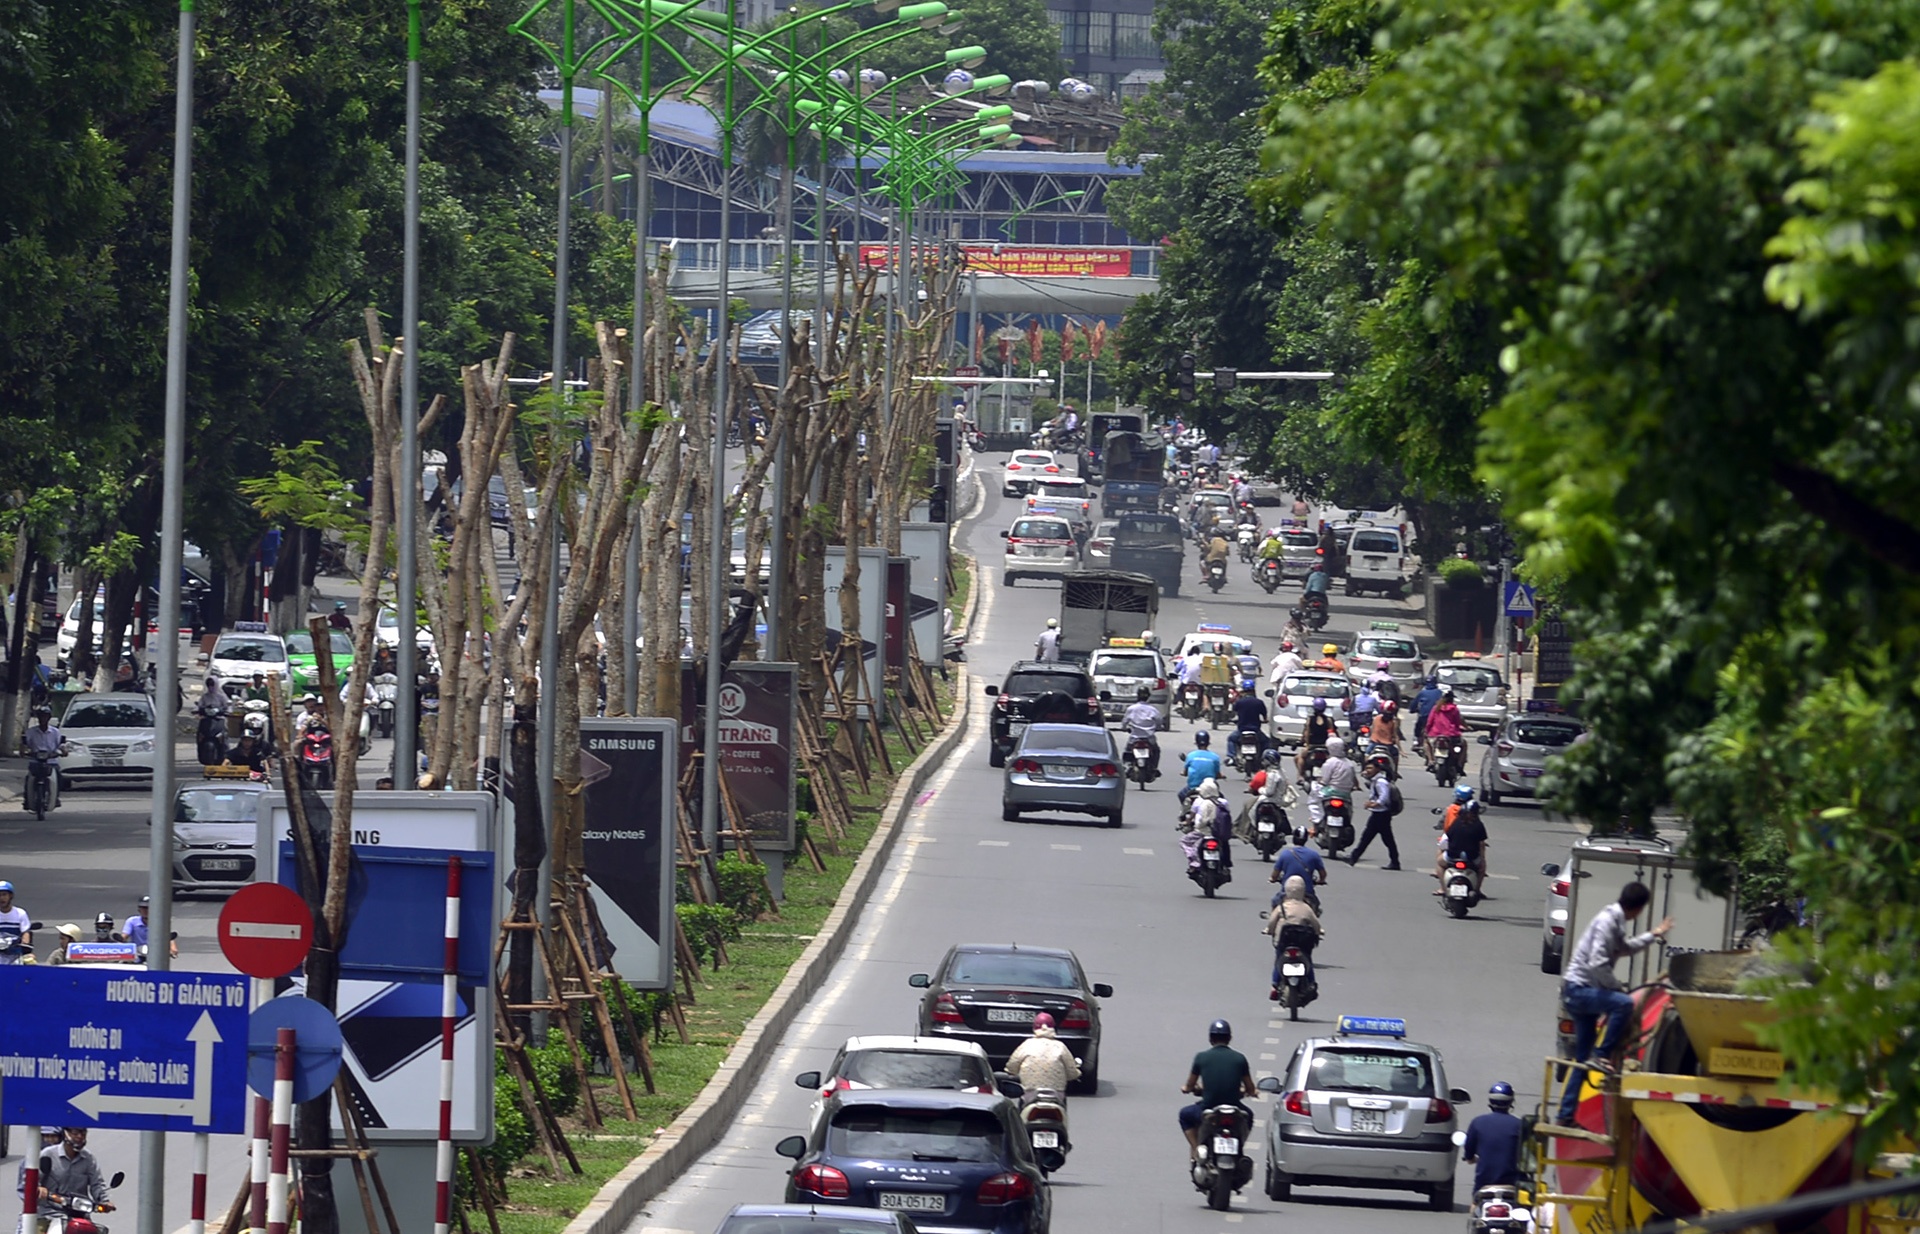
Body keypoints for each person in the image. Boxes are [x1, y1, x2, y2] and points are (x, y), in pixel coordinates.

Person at [1555, 882, 1673, 1123]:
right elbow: (1597, 963)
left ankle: (1565, 1115)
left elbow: (1626, 947)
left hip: (1581, 990)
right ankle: (1603, 1054)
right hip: (1579, 990)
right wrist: (1616, 989)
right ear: (1638, 908)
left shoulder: (1615, 920)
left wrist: (1654, 934)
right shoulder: (1608, 922)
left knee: (1582, 1060)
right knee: (1624, 1004)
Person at [1178, 1020, 1255, 1160]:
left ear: (1210, 1038)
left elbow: (1189, 1085)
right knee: (1248, 1116)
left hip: (1208, 1109)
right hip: (1235, 1109)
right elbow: (1250, 1088)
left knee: (1184, 1115)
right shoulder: (1240, 1058)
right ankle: (1239, 1147)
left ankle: (1196, 1150)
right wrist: (1249, 1092)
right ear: (1229, 1038)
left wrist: (1187, 1088)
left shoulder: (1201, 1057)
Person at [22, 1127, 113, 1219]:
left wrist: (104, 1201)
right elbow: (30, 1181)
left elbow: (97, 1183)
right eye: (75, 1132)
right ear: (65, 1134)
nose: (79, 1136)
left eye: (83, 1133)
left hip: (79, 1213)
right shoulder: (48, 1155)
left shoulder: (88, 1158)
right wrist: (39, 1189)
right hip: (49, 1212)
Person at [1266, 875, 1324, 998]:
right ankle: (1311, 983)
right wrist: (1319, 931)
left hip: (1283, 942)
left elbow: (1271, 922)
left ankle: (1275, 985)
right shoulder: (1306, 908)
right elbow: (1316, 924)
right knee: (1308, 960)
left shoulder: (1281, 907)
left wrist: (1269, 930)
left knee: (1278, 961)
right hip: (1303, 944)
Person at [1464, 1082, 1526, 1192]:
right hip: (1512, 1182)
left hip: (1484, 1183)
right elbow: (1526, 1155)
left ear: (1490, 1101)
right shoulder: (1519, 1125)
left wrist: (1471, 1158)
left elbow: (1469, 1154)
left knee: (1475, 1204)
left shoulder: (1477, 1122)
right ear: (1511, 1101)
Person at [1005, 1011, 1081, 1095]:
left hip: (1030, 1092)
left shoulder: (1026, 1045)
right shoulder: (1060, 1046)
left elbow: (1012, 1066)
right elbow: (1071, 1072)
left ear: (1034, 1028)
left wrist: (1011, 1071)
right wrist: (1077, 1073)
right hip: (1056, 1094)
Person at [1348, 751, 1400, 868]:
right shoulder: (1374, 781)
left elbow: (1384, 797)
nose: (1368, 770)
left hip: (1381, 814)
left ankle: (1354, 857)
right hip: (1378, 814)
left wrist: (1374, 804)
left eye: (1371, 768)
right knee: (1373, 838)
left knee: (1378, 838)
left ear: (1377, 769)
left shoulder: (1380, 782)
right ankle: (1354, 857)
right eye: (1367, 768)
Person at [1436, 799, 1490, 896]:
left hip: (1452, 856)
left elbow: (1448, 838)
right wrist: (1482, 859)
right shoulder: (1478, 825)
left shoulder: (1455, 823)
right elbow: (1481, 844)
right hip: (1471, 858)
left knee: (1440, 864)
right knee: (1482, 868)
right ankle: (1477, 890)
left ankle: (1443, 889)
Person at [1310, 735, 1360, 828]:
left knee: (1314, 801)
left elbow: (1324, 780)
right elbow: (1354, 780)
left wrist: (1319, 783)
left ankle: (1315, 822)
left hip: (1330, 791)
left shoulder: (1330, 762)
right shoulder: (1349, 763)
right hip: (1345, 794)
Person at [21, 704, 63, 809]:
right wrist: (24, 751)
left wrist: (63, 750)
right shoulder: (30, 732)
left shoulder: (55, 732)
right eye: (41, 716)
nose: (43, 719)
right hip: (35, 761)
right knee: (28, 779)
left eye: (45, 716)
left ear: (49, 718)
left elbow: (61, 745)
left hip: (51, 762)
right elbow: (24, 745)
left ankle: (56, 797)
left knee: (59, 777)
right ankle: (27, 799)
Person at [1269, 826, 1328, 891]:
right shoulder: (1314, 854)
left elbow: (1274, 875)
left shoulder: (1285, 854)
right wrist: (1321, 881)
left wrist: (1273, 879)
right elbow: (1323, 874)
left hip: (1287, 891)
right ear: (1306, 839)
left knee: (1275, 901)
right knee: (1314, 901)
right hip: (1307, 891)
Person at [1121, 687, 1163, 779]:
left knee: (1127, 752)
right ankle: (1154, 768)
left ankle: (1126, 767)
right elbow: (1159, 721)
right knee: (1156, 751)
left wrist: (1124, 728)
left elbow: (1125, 721)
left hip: (1134, 738)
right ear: (1148, 696)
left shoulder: (1131, 708)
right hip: (1149, 738)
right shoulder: (1152, 709)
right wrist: (1159, 727)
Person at [1297, 698, 1338, 779]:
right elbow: (1332, 733)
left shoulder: (1310, 719)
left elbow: (1307, 733)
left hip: (1313, 745)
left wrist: (1307, 745)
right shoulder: (1328, 720)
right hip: (1325, 746)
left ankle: (1300, 775)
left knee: (1299, 757)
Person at [1424, 690, 1465, 769]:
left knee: (1426, 743)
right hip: (1451, 735)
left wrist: (1427, 730)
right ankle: (1459, 764)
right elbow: (1457, 722)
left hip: (1435, 734)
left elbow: (1430, 721)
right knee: (1463, 744)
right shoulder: (1454, 709)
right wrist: (1460, 728)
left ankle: (1430, 760)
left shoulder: (1436, 708)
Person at [1180, 734, 1224, 800]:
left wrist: (1183, 773)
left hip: (1193, 787)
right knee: (1222, 801)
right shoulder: (1215, 757)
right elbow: (1217, 774)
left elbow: (1185, 772)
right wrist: (1221, 776)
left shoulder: (1191, 756)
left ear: (1196, 743)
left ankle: (1186, 809)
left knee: (1181, 795)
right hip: (1210, 788)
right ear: (1208, 743)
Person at [1230, 685, 1268, 759]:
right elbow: (1264, 716)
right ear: (1253, 691)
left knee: (1231, 739)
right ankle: (1263, 758)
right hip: (1255, 730)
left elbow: (1233, 713)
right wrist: (1265, 720)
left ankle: (1231, 757)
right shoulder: (1259, 702)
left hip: (1242, 730)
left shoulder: (1239, 702)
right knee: (1266, 741)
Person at [0, 882, 31, 964]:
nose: (1, 898)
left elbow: (25, 932)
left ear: (10, 896)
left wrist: (25, 943)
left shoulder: (20, 913)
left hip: (15, 954)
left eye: (4, 895)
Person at [1412, 674, 1444, 742]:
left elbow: (1414, 703)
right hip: (1437, 716)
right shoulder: (1440, 692)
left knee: (1418, 727)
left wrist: (1412, 709)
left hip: (1425, 715)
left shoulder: (1423, 693)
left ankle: (1416, 740)